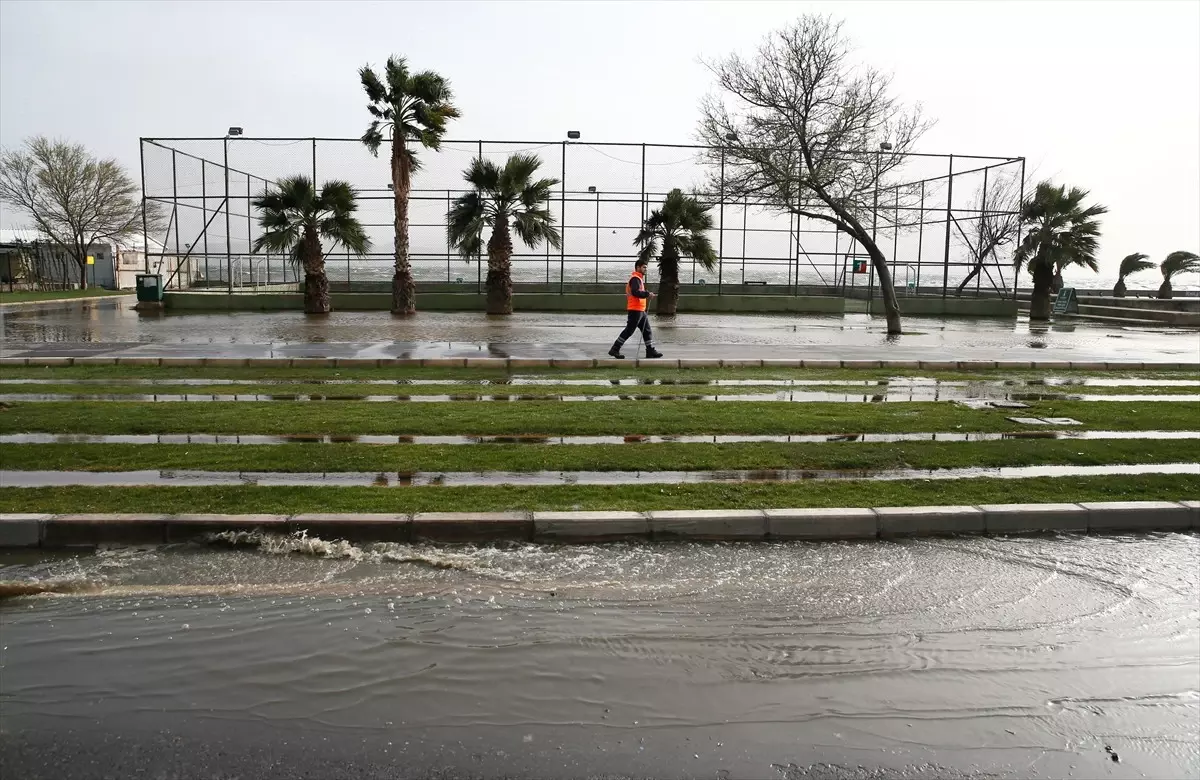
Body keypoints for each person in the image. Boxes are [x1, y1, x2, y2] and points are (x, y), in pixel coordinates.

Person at [608, 259, 663, 359]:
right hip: (635, 310)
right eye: (644, 267)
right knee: (629, 330)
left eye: (646, 267)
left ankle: (650, 350)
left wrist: (646, 293)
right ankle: (615, 349)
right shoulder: (635, 278)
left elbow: (638, 291)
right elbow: (635, 292)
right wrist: (647, 294)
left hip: (640, 310)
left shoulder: (639, 279)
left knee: (647, 330)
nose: (645, 269)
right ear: (638, 268)